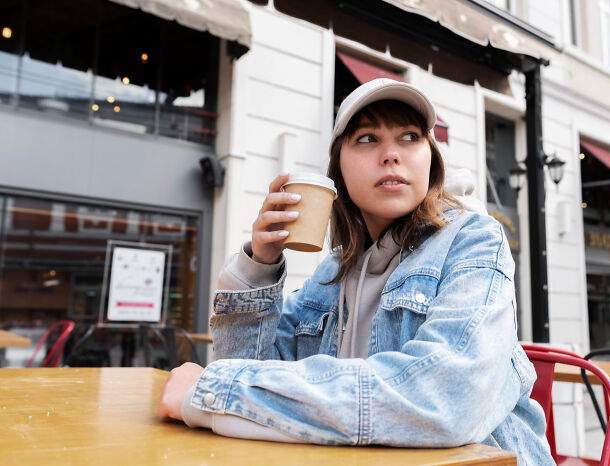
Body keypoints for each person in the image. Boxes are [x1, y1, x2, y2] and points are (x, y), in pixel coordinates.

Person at [158, 78, 553, 463]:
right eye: (366, 138)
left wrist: (215, 391)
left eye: (410, 137)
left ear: (431, 160)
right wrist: (259, 266)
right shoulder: (332, 273)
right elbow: (251, 369)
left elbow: (446, 399)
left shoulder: (474, 240)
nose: (391, 154)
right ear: (338, 175)